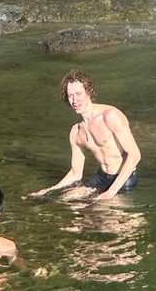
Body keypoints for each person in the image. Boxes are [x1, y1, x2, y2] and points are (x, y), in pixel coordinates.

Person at [26, 69, 141, 204]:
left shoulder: (110, 116)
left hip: (124, 179)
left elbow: (135, 155)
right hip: (101, 178)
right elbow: (76, 173)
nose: (74, 100)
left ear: (89, 92)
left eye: (78, 94)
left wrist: (110, 192)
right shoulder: (76, 132)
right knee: (66, 202)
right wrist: (48, 190)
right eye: (70, 96)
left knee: (103, 211)